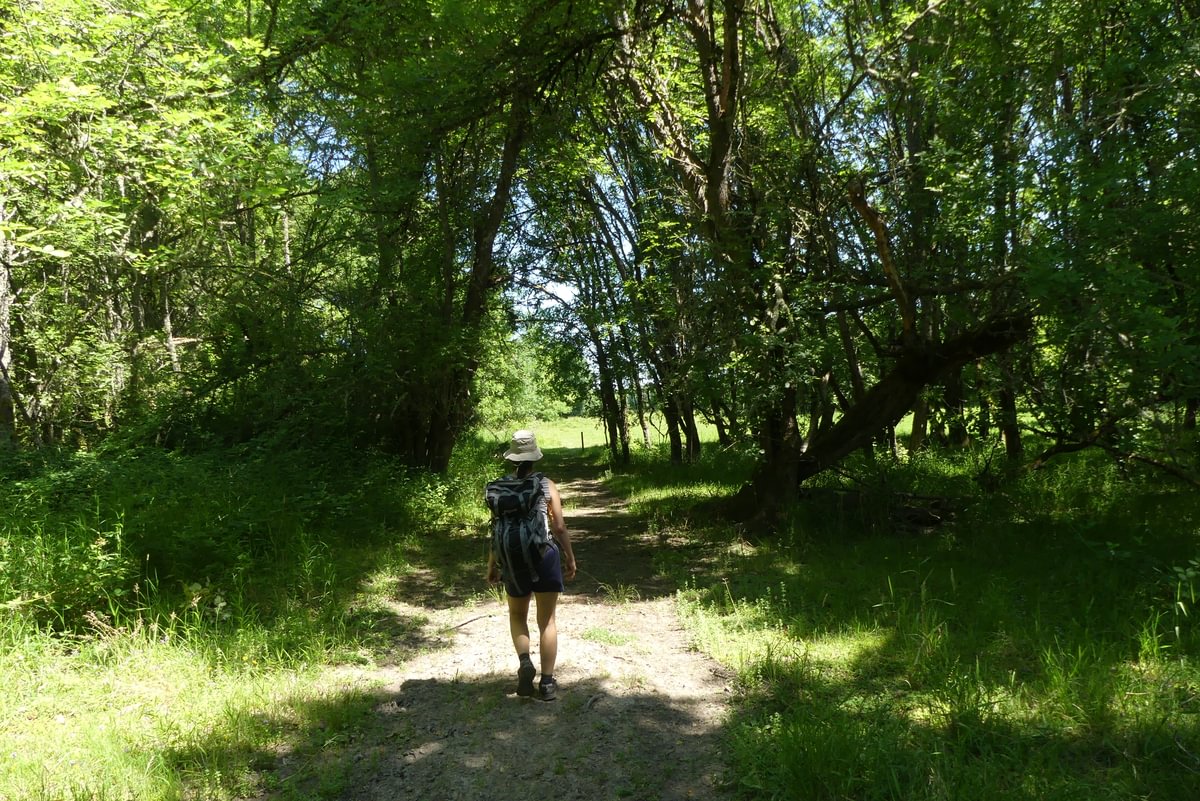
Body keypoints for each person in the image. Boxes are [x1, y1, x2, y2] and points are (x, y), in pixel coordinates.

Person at [486, 429, 577, 700]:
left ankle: (525, 662)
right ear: (534, 456)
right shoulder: (546, 485)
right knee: (547, 620)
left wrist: (493, 563)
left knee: (517, 615)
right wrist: (570, 557)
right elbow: (558, 527)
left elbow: (497, 528)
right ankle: (547, 684)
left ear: (512, 458)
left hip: (511, 559)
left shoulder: (499, 487)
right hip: (544, 555)